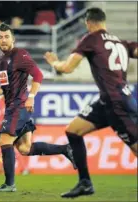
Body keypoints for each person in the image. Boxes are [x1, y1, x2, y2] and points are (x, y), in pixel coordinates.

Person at [43, 7, 138, 198]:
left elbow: (68, 68)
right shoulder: (120, 41)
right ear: (104, 21)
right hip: (108, 100)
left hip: (117, 104)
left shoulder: (90, 39)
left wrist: (54, 63)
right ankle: (85, 183)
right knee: (73, 131)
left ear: (88, 22)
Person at [0, 23, 77, 192]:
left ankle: (9, 184)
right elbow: (5, 86)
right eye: (0, 37)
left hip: (19, 106)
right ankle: (65, 149)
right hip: (13, 107)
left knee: (5, 141)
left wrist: (31, 97)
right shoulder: (1, 61)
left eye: (6, 36)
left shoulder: (20, 55)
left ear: (13, 39)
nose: (3, 40)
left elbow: (38, 74)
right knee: (24, 148)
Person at [0, 96, 30, 175]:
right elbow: (2, 113)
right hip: (3, 128)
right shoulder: (1, 100)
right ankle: (3, 166)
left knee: (13, 148)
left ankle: (24, 168)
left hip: (11, 127)